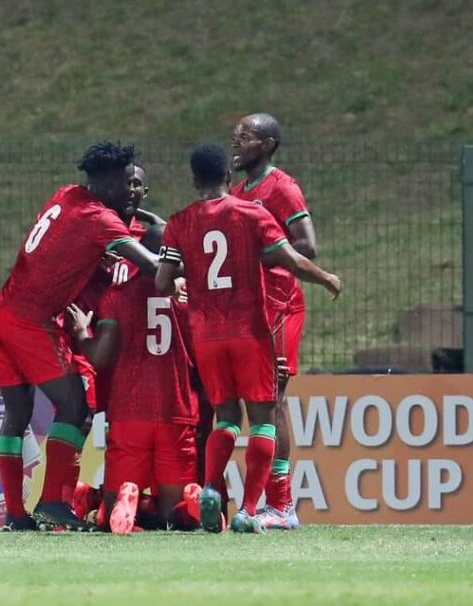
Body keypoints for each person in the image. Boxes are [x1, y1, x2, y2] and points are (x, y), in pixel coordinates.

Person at [155, 143, 340, 533]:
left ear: (193, 180)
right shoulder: (251, 213)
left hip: (206, 334)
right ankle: (250, 509)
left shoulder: (178, 222)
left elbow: (162, 280)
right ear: (228, 177)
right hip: (249, 332)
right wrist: (324, 277)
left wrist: (187, 278)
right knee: (263, 419)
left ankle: (209, 486)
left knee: (224, 417)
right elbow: (291, 258)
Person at [0, 142, 158, 531]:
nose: (131, 189)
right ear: (109, 181)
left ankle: (15, 514)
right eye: (126, 181)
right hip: (30, 322)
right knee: (75, 407)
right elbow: (149, 266)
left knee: (17, 414)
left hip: (0, 310)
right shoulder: (101, 221)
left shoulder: (66, 194)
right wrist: (181, 266)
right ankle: (49, 502)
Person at [68, 224, 201, 534]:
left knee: (108, 517)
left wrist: (80, 334)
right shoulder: (187, 297)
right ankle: (189, 506)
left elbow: (99, 356)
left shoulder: (118, 295)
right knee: (170, 518)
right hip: (176, 409)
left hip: (129, 410)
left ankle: (124, 499)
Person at [230, 113, 318, 530]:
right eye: (236, 135)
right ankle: (263, 503)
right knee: (249, 403)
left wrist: (252, 255)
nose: (237, 142)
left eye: (245, 137)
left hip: (281, 306)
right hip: (249, 310)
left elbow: (306, 246)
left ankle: (281, 505)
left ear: (266, 145)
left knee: (273, 401)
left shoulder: (281, 187)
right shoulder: (237, 190)